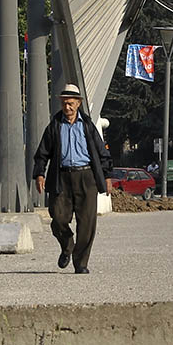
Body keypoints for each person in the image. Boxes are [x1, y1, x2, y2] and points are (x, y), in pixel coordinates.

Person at [33, 83, 111, 273]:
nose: (67, 107)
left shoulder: (87, 126)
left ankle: (81, 264)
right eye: (64, 103)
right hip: (61, 177)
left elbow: (102, 153)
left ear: (78, 103)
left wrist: (107, 176)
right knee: (58, 217)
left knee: (87, 223)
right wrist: (39, 173)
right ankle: (67, 245)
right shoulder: (54, 126)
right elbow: (42, 153)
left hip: (86, 177)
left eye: (70, 103)